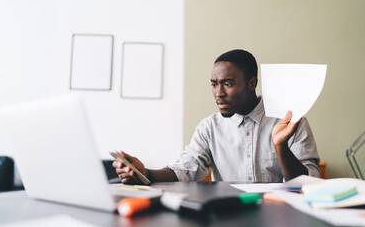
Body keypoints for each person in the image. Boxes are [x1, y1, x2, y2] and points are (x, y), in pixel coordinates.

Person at [113, 49, 320, 184]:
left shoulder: (288, 121)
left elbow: (310, 183)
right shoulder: (209, 128)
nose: (218, 93)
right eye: (214, 84)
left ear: (251, 83)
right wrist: (145, 174)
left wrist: (280, 147)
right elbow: (185, 170)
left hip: (281, 221)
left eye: (227, 83)